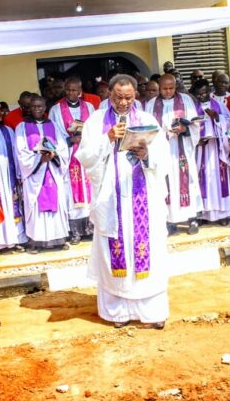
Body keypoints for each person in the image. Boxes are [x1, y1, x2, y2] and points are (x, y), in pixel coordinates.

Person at [76, 74, 171, 329]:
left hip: (143, 197)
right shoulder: (96, 121)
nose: (123, 103)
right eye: (118, 97)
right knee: (116, 251)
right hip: (112, 198)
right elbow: (85, 157)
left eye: (129, 98)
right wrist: (106, 138)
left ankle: (152, 312)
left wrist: (147, 155)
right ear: (110, 94)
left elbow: (164, 158)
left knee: (148, 250)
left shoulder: (148, 120)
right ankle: (118, 312)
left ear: (135, 96)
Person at [145, 74, 203, 234]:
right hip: (162, 150)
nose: (168, 91)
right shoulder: (151, 104)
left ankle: (192, 219)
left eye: (171, 88)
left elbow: (196, 124)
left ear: (175, 86)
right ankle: (170, 220)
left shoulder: (186, 100)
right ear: (159, 87)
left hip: (182, 149)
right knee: (165, 182)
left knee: (188, 180)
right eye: (165, 88)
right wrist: (163, 132)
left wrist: (184, 129)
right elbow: (148, 128)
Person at [15, 95, 71, 253]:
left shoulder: (53, 125)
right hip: (35, 175)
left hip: (52, 171)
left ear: (45, 107)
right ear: (29, 108)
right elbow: (20, 152)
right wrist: (39, 159)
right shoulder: (22, 127)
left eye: (40, 106)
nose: (37, 109)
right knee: (34, 206)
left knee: (57, 203)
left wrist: (54, 155)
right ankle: (35, 242)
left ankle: (58, 239)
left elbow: (62, 147)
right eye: (34, 106)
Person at [49, 77, 96, 244]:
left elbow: (95, 129)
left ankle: (91, 229)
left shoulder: (89, 107)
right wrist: (69, 140)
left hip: (86, 153)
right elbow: (53, 133)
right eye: (68, 89)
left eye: (74, 90)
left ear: (80, 91)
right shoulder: (56, 110)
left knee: (90, 191)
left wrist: (85, 137)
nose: (71, 92)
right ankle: (75, 232)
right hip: (68, 155)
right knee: (70, 193)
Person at [0, 105, 27, 253]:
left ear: (0, 118)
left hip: (9, 177)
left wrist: (19, 173)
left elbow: (16, 152)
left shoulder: (8, 131)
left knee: (12, 206)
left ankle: (16, 240)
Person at [191, 79, 230, 224]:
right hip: (200, 150)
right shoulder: (192, 107)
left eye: (204, 93)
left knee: (217, 180)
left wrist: (216, 117)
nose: (202, 96)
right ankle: (203, 215)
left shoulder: (218, 105)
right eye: (198, 94)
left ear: (209, 91)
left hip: (217, 148)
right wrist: (197, 140)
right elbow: (188, 126)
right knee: (202, 180)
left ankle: (222, 214)